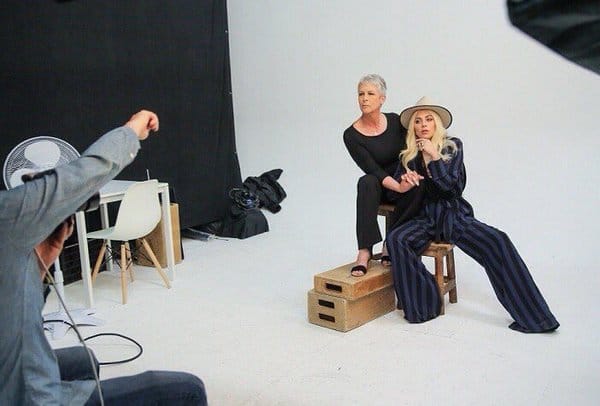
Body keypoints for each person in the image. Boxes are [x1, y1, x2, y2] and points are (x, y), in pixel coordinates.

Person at [0, 110, 207, 404]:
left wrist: (41, 261)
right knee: (188, 389)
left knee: (84, 358)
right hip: (29, 397)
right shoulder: (7, 218)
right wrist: (132, 130)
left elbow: (14, 309)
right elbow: (84, 173)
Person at [385, 96, 559, 333]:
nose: (423, 125)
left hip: (453, 217)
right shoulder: (408, 156)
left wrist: (434, 157)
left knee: (498, 241)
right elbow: (394, 193)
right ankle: (425, 305)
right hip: (424, 219)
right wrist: (404, 184)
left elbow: (451, 188)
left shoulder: (452, 146)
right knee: (396, 239)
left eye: (429, 119)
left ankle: (536, 318)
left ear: (437, 123)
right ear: (412, 127)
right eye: (418, 121)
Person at [343, 74, 421, 277]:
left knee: (417, 183)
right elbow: (373, 169)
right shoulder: (351, 135)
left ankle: (390, 243)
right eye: (361, 94)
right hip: (381, 185)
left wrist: (407, 178)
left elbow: (413, 148)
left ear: (382, 99)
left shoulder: (395, 121)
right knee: (366, 181)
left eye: (370, 94)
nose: (364, 99)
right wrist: (398, 186)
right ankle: (364, 251)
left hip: (403, 179)